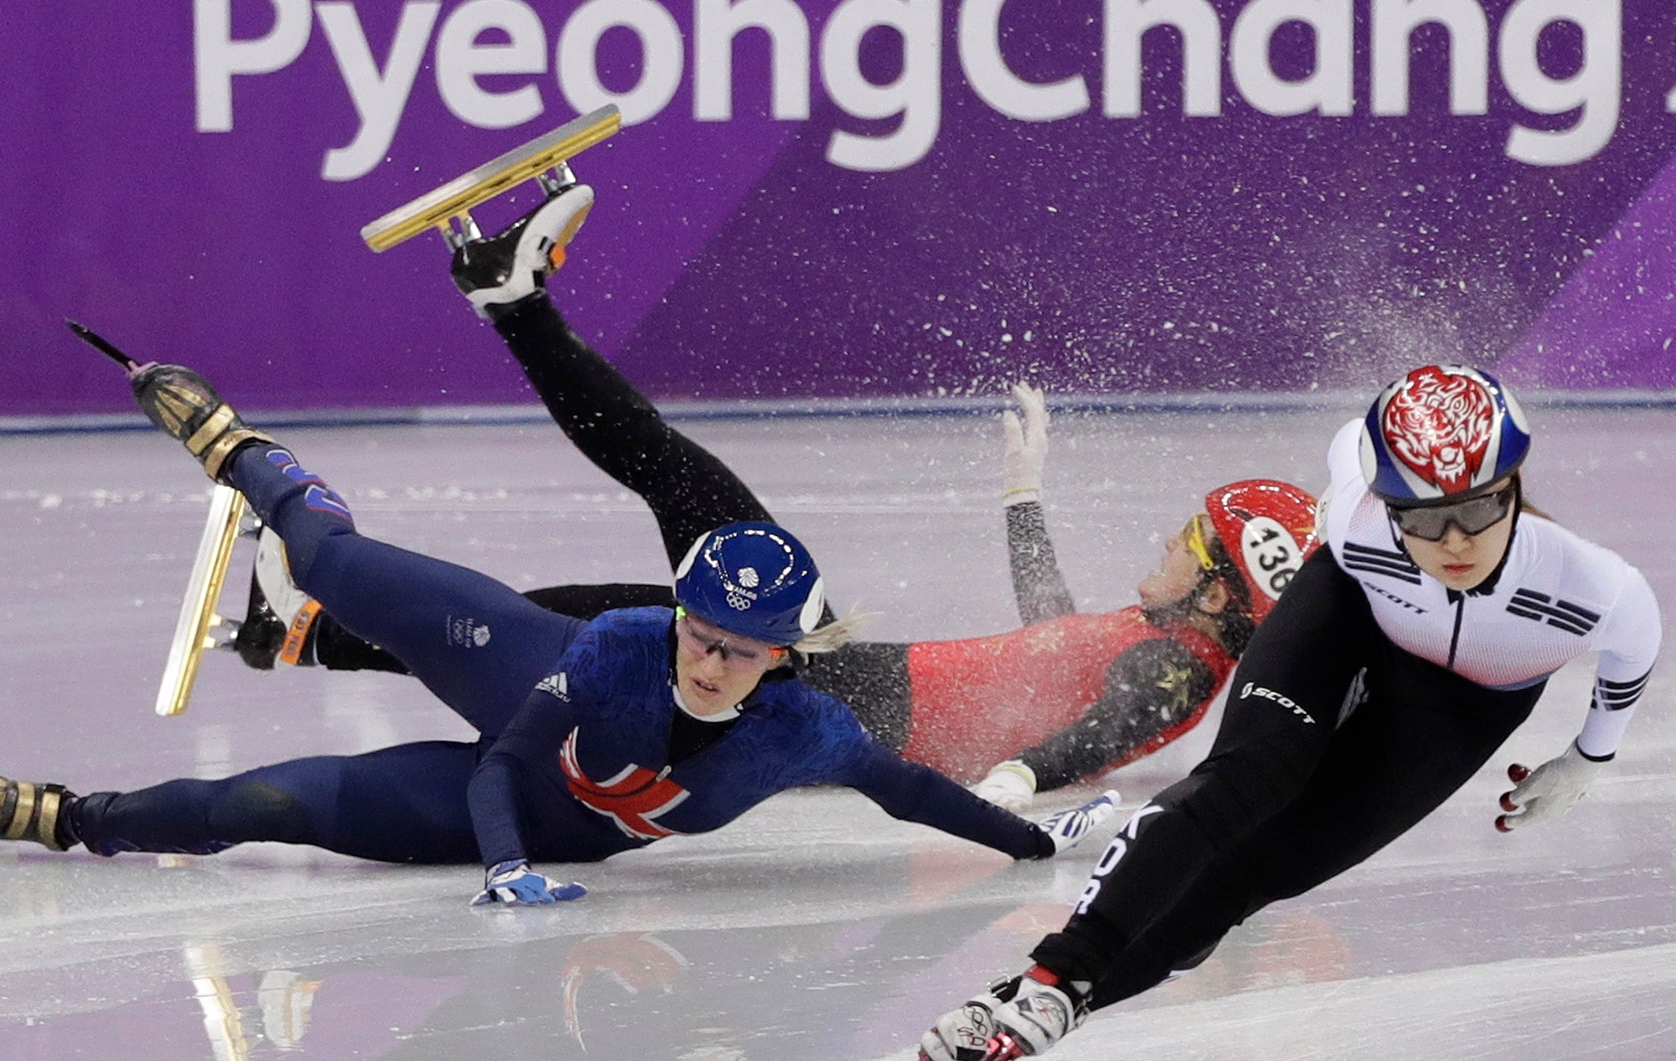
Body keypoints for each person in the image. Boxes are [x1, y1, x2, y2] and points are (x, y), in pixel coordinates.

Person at [231, 181, 1323, 812]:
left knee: (670, 491)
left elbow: (1098, 735)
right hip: (846, 682)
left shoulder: (1183, 668)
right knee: (594, 597)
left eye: (1190, 539)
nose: (1166, 543)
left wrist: (1014, 789)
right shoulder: (1166, 640)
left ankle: (514, 302)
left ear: (1225, 592)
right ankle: (316, 638)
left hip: (844, 698)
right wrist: (1023, 495)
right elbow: (1058, 648)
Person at [0, 356, 1120, 904]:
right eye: (699, 634)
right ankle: (238, 451)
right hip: (524, 697)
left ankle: (70, 820)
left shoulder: (811, 734)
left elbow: (913, 794)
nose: (705, 661)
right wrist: (503, 869)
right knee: (330, 557)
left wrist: (1032, 844)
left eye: (735, 653)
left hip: (557, 829)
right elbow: (499, 763)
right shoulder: (625, 646)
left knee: (261, 808)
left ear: (784, 664)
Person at [909, 363, 1663, 1061]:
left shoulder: (1596, 588)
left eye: (1477, 510)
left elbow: (1634, 650)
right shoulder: (1362, 522)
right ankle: (1057, 971)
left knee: (1260, 874)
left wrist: (1589, 757)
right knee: (1251, 776)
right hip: (1348, 610)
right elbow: (1350, 446)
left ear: (1514, 486)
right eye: (1423, 520)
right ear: (1386, 503)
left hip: (1464, 701)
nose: (1454, 542)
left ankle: (1046, 1011)